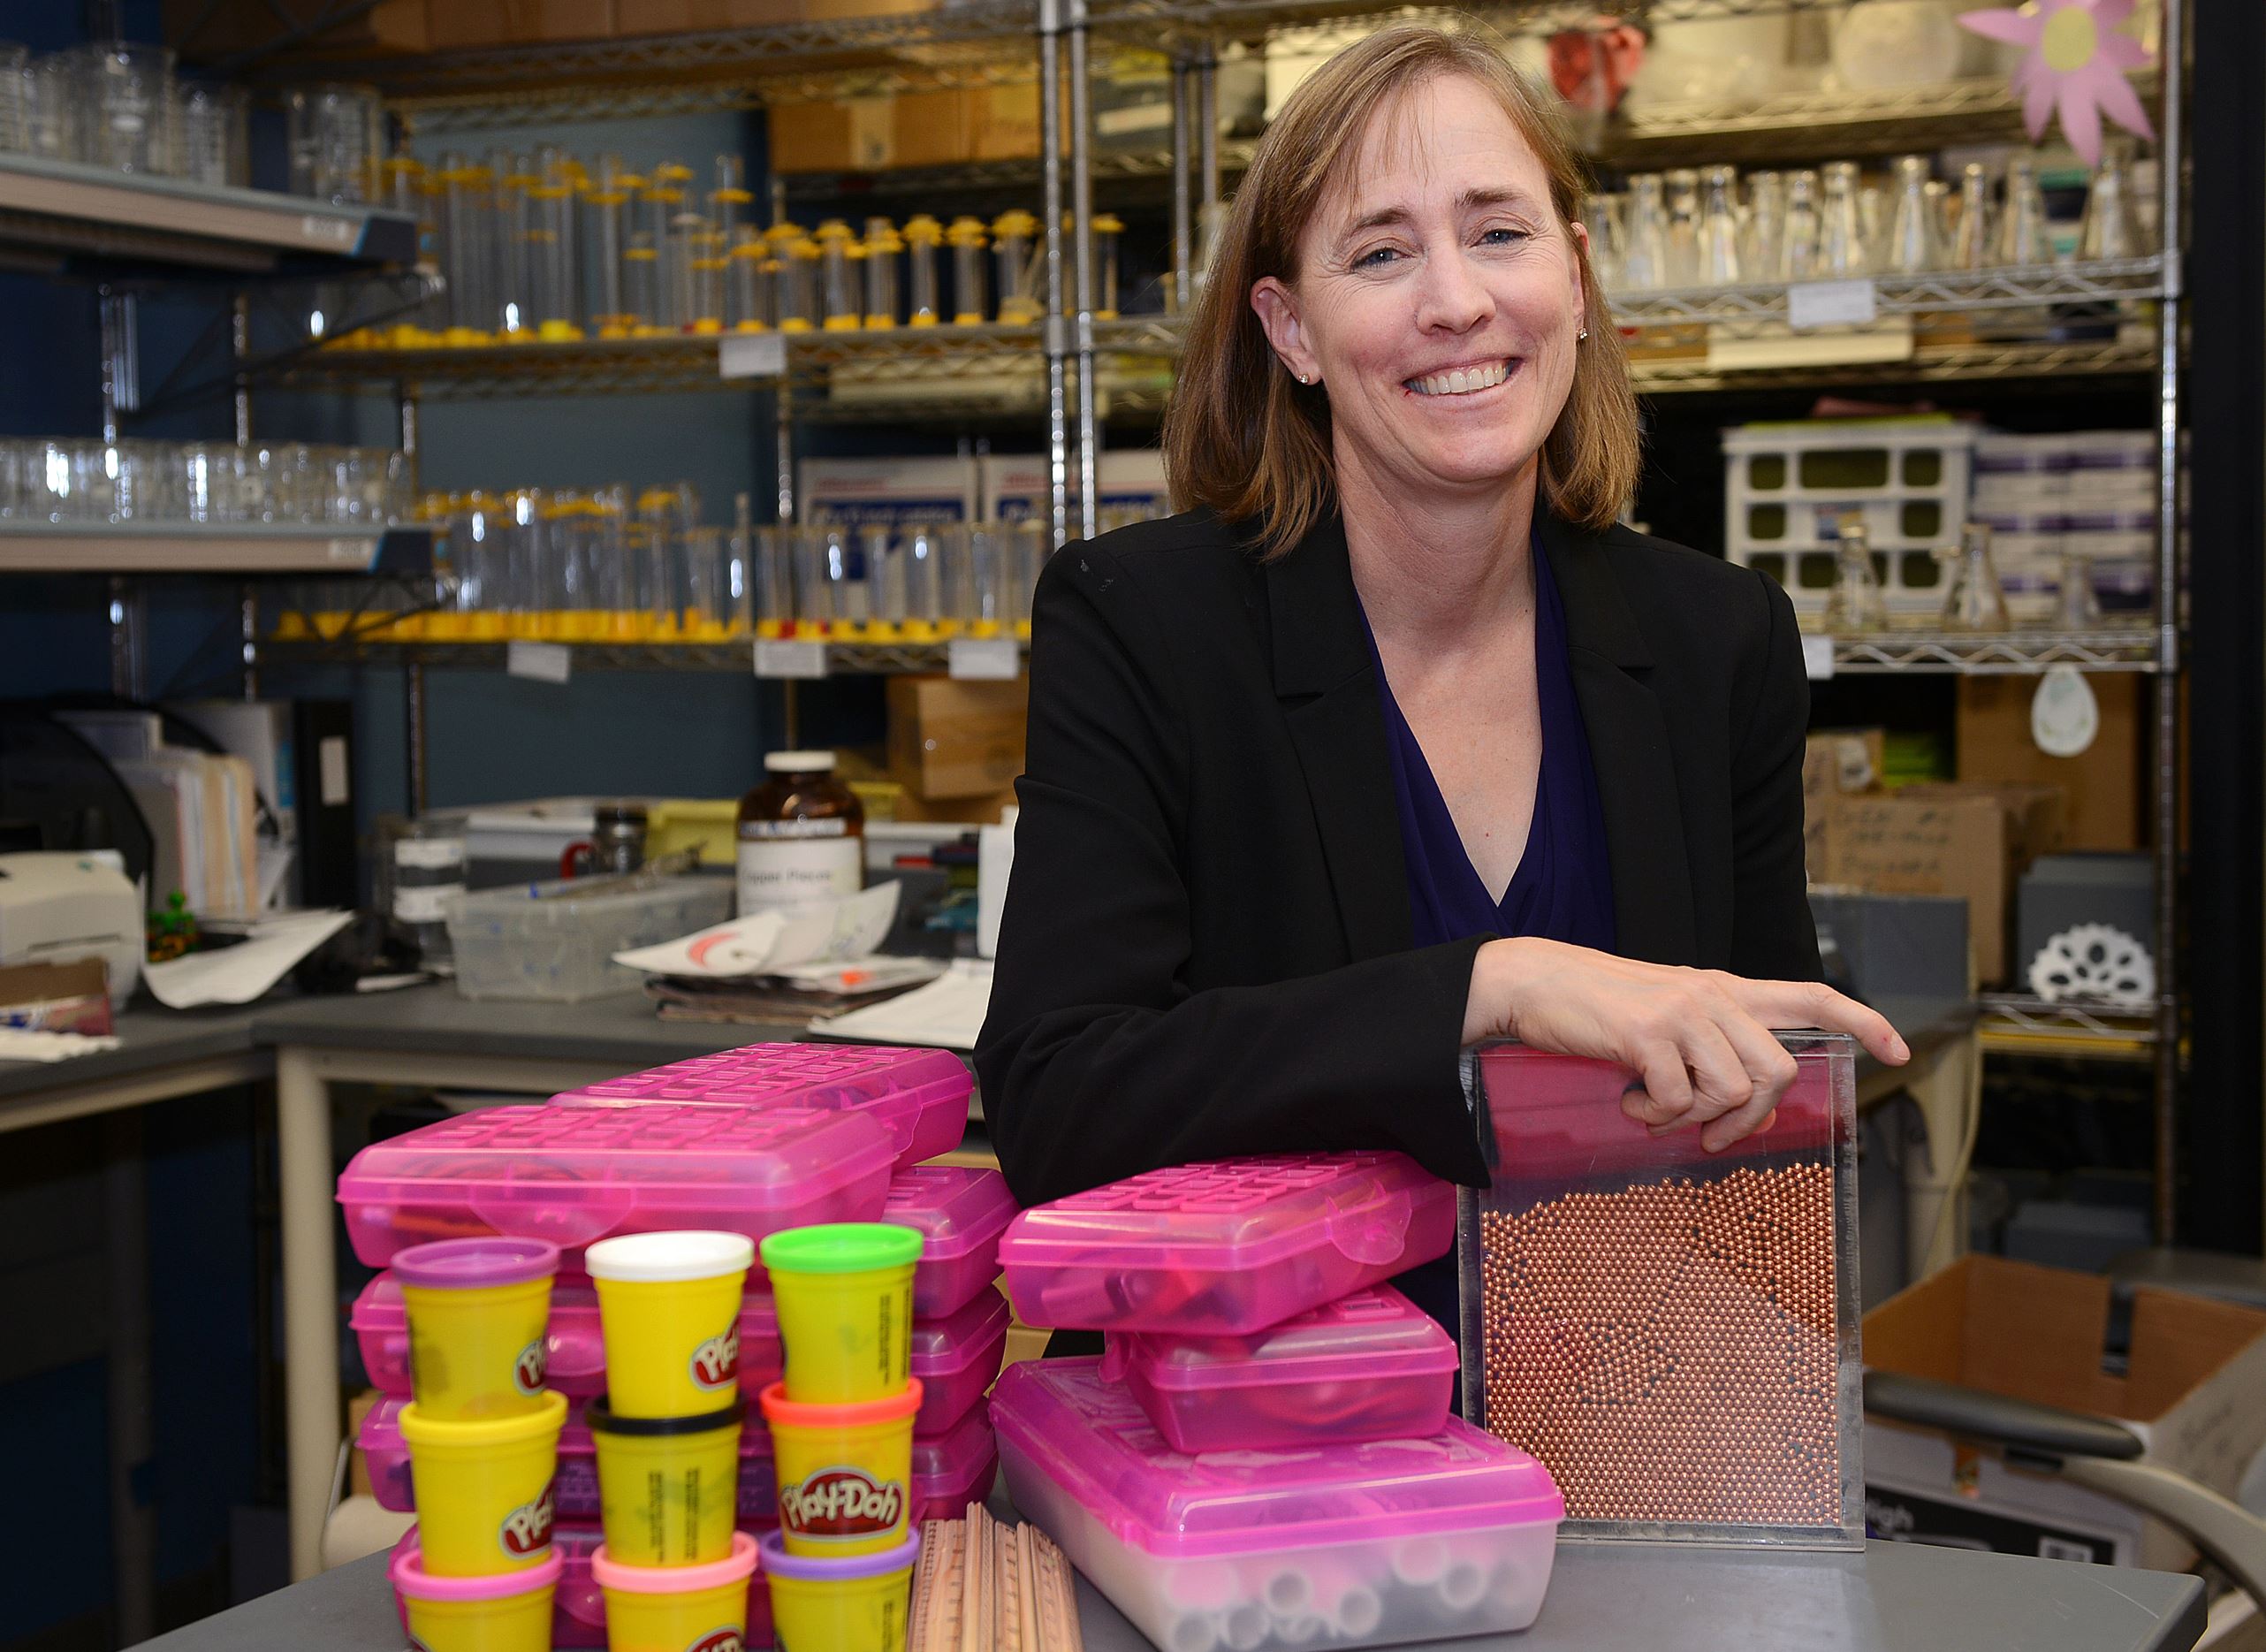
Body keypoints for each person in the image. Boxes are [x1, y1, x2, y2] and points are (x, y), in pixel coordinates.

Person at [974, 27, 1906, 1313]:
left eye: (1499, 233)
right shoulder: (1147, 623)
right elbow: (1059, 1098)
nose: (1456, 301)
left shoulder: (1717, 637)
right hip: (1274, 1402)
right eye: (1381, 253)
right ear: (1291, 330)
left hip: (1615, 1394)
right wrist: (1494, 987)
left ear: (1577, 280)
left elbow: (1758, 1095)